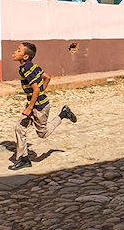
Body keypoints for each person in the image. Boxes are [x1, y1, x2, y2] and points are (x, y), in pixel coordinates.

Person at [10, 42, 77, 171]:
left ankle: (63, 114)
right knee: (20, 127)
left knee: (43, 133)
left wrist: (30, 107)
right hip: (35, 104)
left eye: (18, 51)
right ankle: (24, 159)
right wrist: (40, 93)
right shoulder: (31, 66)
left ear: (25, 57)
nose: (14, 52)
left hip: (39, 108)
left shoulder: (26, 69)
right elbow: (47, 77)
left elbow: (35, 89)